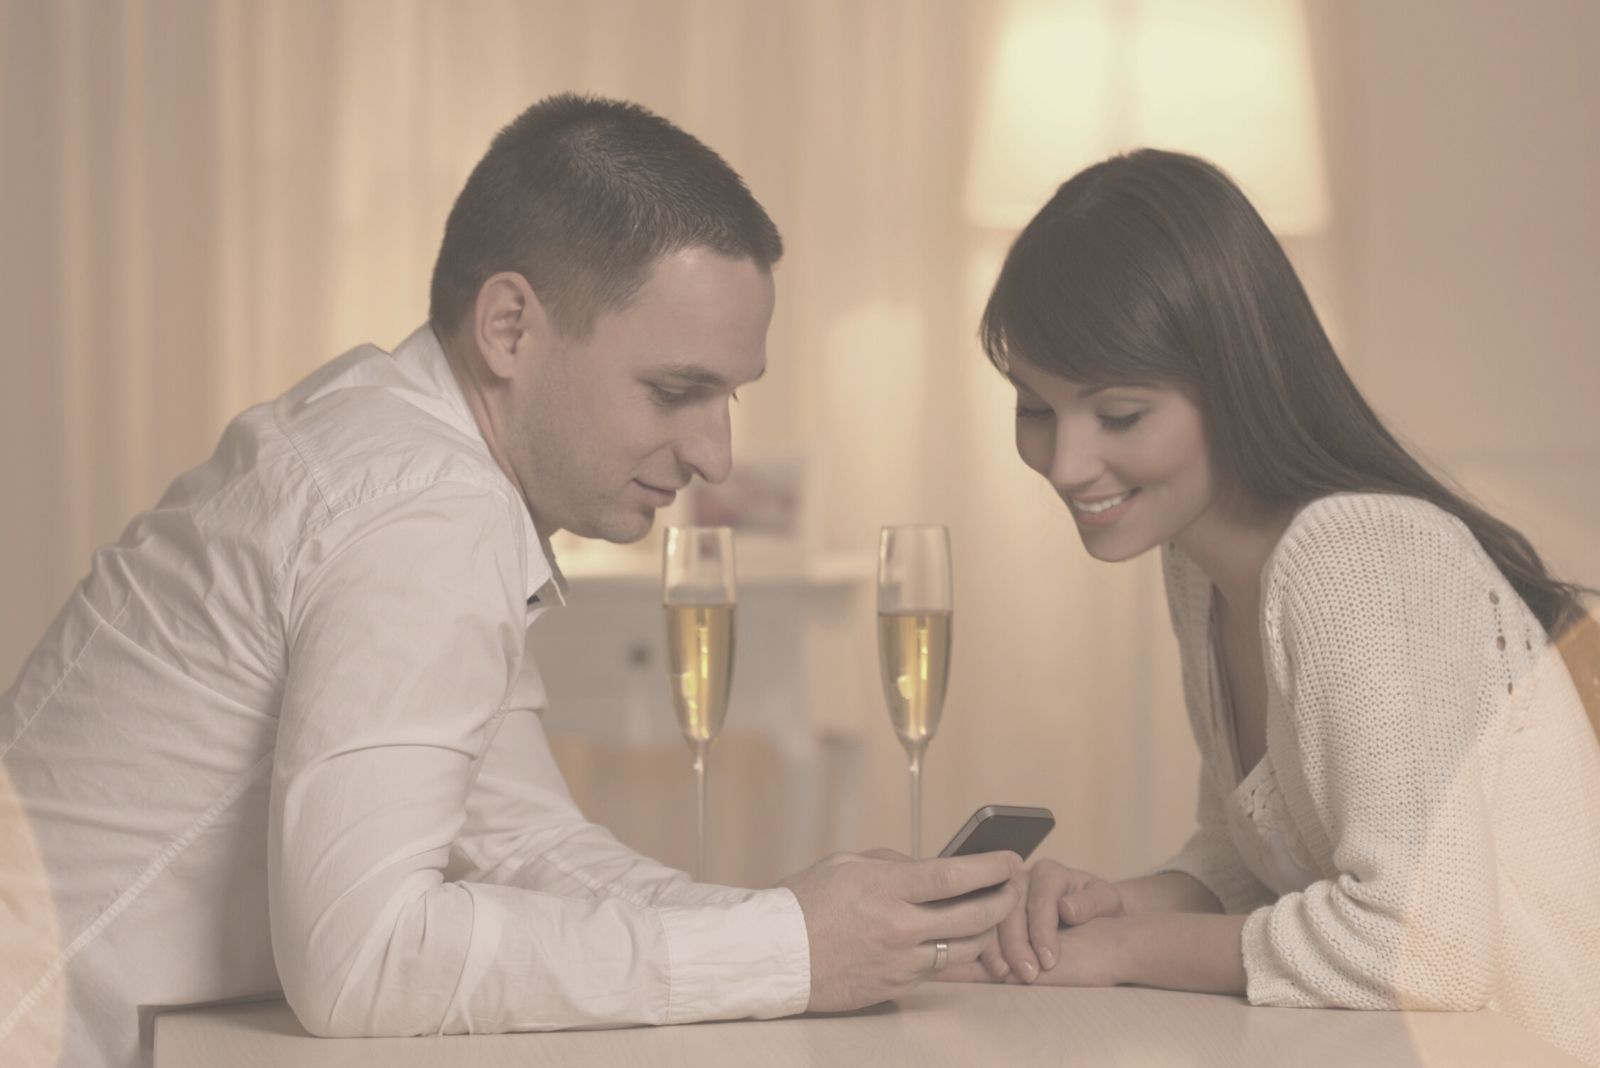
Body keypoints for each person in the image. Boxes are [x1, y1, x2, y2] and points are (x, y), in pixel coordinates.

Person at [0, 93, 1020, 1068]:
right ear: (509, 328)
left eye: (728, 397)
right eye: (676, 391)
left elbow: (520, 838)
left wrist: (800, 923)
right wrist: (785, 953)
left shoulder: (389, 444)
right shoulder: (423, 512)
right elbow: (364, 963)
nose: (716, 455)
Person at [942, 148, 1600, 1066]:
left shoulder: (1358, 557)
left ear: (1236, 377)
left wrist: (1129, 949)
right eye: (1034, 409)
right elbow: (1260, 854)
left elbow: (1428, 944)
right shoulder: (1197, 563)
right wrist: (1116, 903)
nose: (1065, 464)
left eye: (1120, 415)